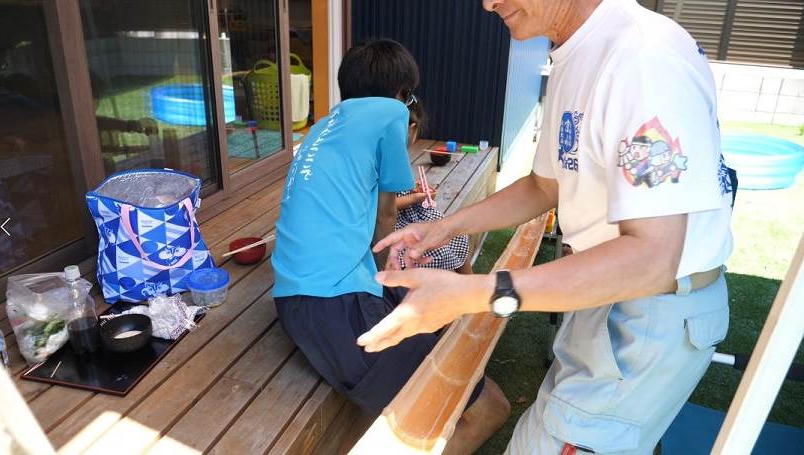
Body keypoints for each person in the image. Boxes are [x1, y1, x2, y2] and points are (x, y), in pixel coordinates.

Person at [360, 1, 734, 453]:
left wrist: (473, 294)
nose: (487, 3)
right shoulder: (577, 51)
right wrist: (444, 227)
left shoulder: (641, 60)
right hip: (603, 294)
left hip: (647, 311)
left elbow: (652, 259)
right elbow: (544, 186)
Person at [271, 39, 510, 454]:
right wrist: (388, 273)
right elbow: (385, 218)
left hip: (299, 298)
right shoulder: (391, 114)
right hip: (335, 306)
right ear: (402, 95)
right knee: (491, 407)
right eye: (409, 97)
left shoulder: (324, 125)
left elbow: (359, 203)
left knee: (435, 302)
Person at [396, 98, 472, 273]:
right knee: (438, 248)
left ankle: (470, 283)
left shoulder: (398, 156)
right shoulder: (385, 160)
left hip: (411, 214)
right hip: (396, 223)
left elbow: (399, 189)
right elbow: (381, 206)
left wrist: (414, 189)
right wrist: (414, 198)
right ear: (411, 129)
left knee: (456, 233)